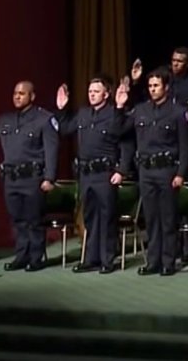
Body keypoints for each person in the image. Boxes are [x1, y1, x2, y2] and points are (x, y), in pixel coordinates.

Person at [116, 68, 188, 276]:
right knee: (151, 219)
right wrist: (119, 107)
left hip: (167, 170)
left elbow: (185, 147)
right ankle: (153, 262)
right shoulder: (140, 110)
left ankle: (168, 262)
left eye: (156, 86)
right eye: (150, 86)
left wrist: (181, 173)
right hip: (146, 171)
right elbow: (119, 130)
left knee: (168, 219)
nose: (152, 89)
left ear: (166, 88)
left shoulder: (178, 112)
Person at [0, 81, 59, 272]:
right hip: (11, 179)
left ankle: (36, 257)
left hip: (33, 178)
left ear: (32, 97)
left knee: (34, 220)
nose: (17, 96)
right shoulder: (5, 120)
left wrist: (49, 177)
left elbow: (51, 150)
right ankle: (22, 256)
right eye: (15, 93)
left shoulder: (43, 119)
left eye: (22, 93)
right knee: (17, 220)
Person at [55, 78, 128, 274]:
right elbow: (64, 129)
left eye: (96, 91)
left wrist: (121, 170)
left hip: (105, 173)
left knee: (107, 217)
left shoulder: (114, 113)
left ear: (106, 94)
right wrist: (62, 110)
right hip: (86, 174)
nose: (92, 94)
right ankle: (91, 259)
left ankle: (107, 259)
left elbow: (126, 140)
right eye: (90, 91)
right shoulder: (83, 114)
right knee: (89, 217)